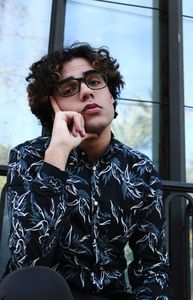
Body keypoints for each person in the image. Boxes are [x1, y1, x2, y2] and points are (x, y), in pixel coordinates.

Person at [0, 42, 170, 300]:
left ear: (111, 95)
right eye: (69, 88)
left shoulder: (140, 169)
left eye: (94, 82)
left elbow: (152, 267)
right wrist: (57, 154)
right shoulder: (28, 158)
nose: (86, 92)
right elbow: (27, 261)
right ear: (53, 105)